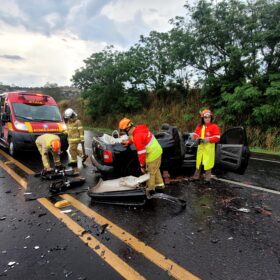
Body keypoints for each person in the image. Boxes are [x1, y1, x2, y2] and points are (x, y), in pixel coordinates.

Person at [119, 118, 164, 194]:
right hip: (156, 151)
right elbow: (135, 137)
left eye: (124, 131)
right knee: (155, 170)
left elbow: (141, 154)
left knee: (150, 173)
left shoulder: (138, 136)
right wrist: (129, 142)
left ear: (127, 129)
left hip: (153, 154)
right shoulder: (138, 129)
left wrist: (142, 166)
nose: (125, 133)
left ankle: (150, 190)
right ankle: (160, 186)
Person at [192, 109, 220, 182]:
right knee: (199, 163)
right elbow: (195, 134)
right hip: (201, 148)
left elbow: (217, 137)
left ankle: (207, 179)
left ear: (211, 118)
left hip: (209, 150)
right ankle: (196, 177)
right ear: (202, 118)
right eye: (205, 117)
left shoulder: (214, 126)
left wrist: (208, 139)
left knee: (208, 164)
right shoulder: (199, 126)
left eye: (209, 117)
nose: (207, 119)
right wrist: (197, 138)